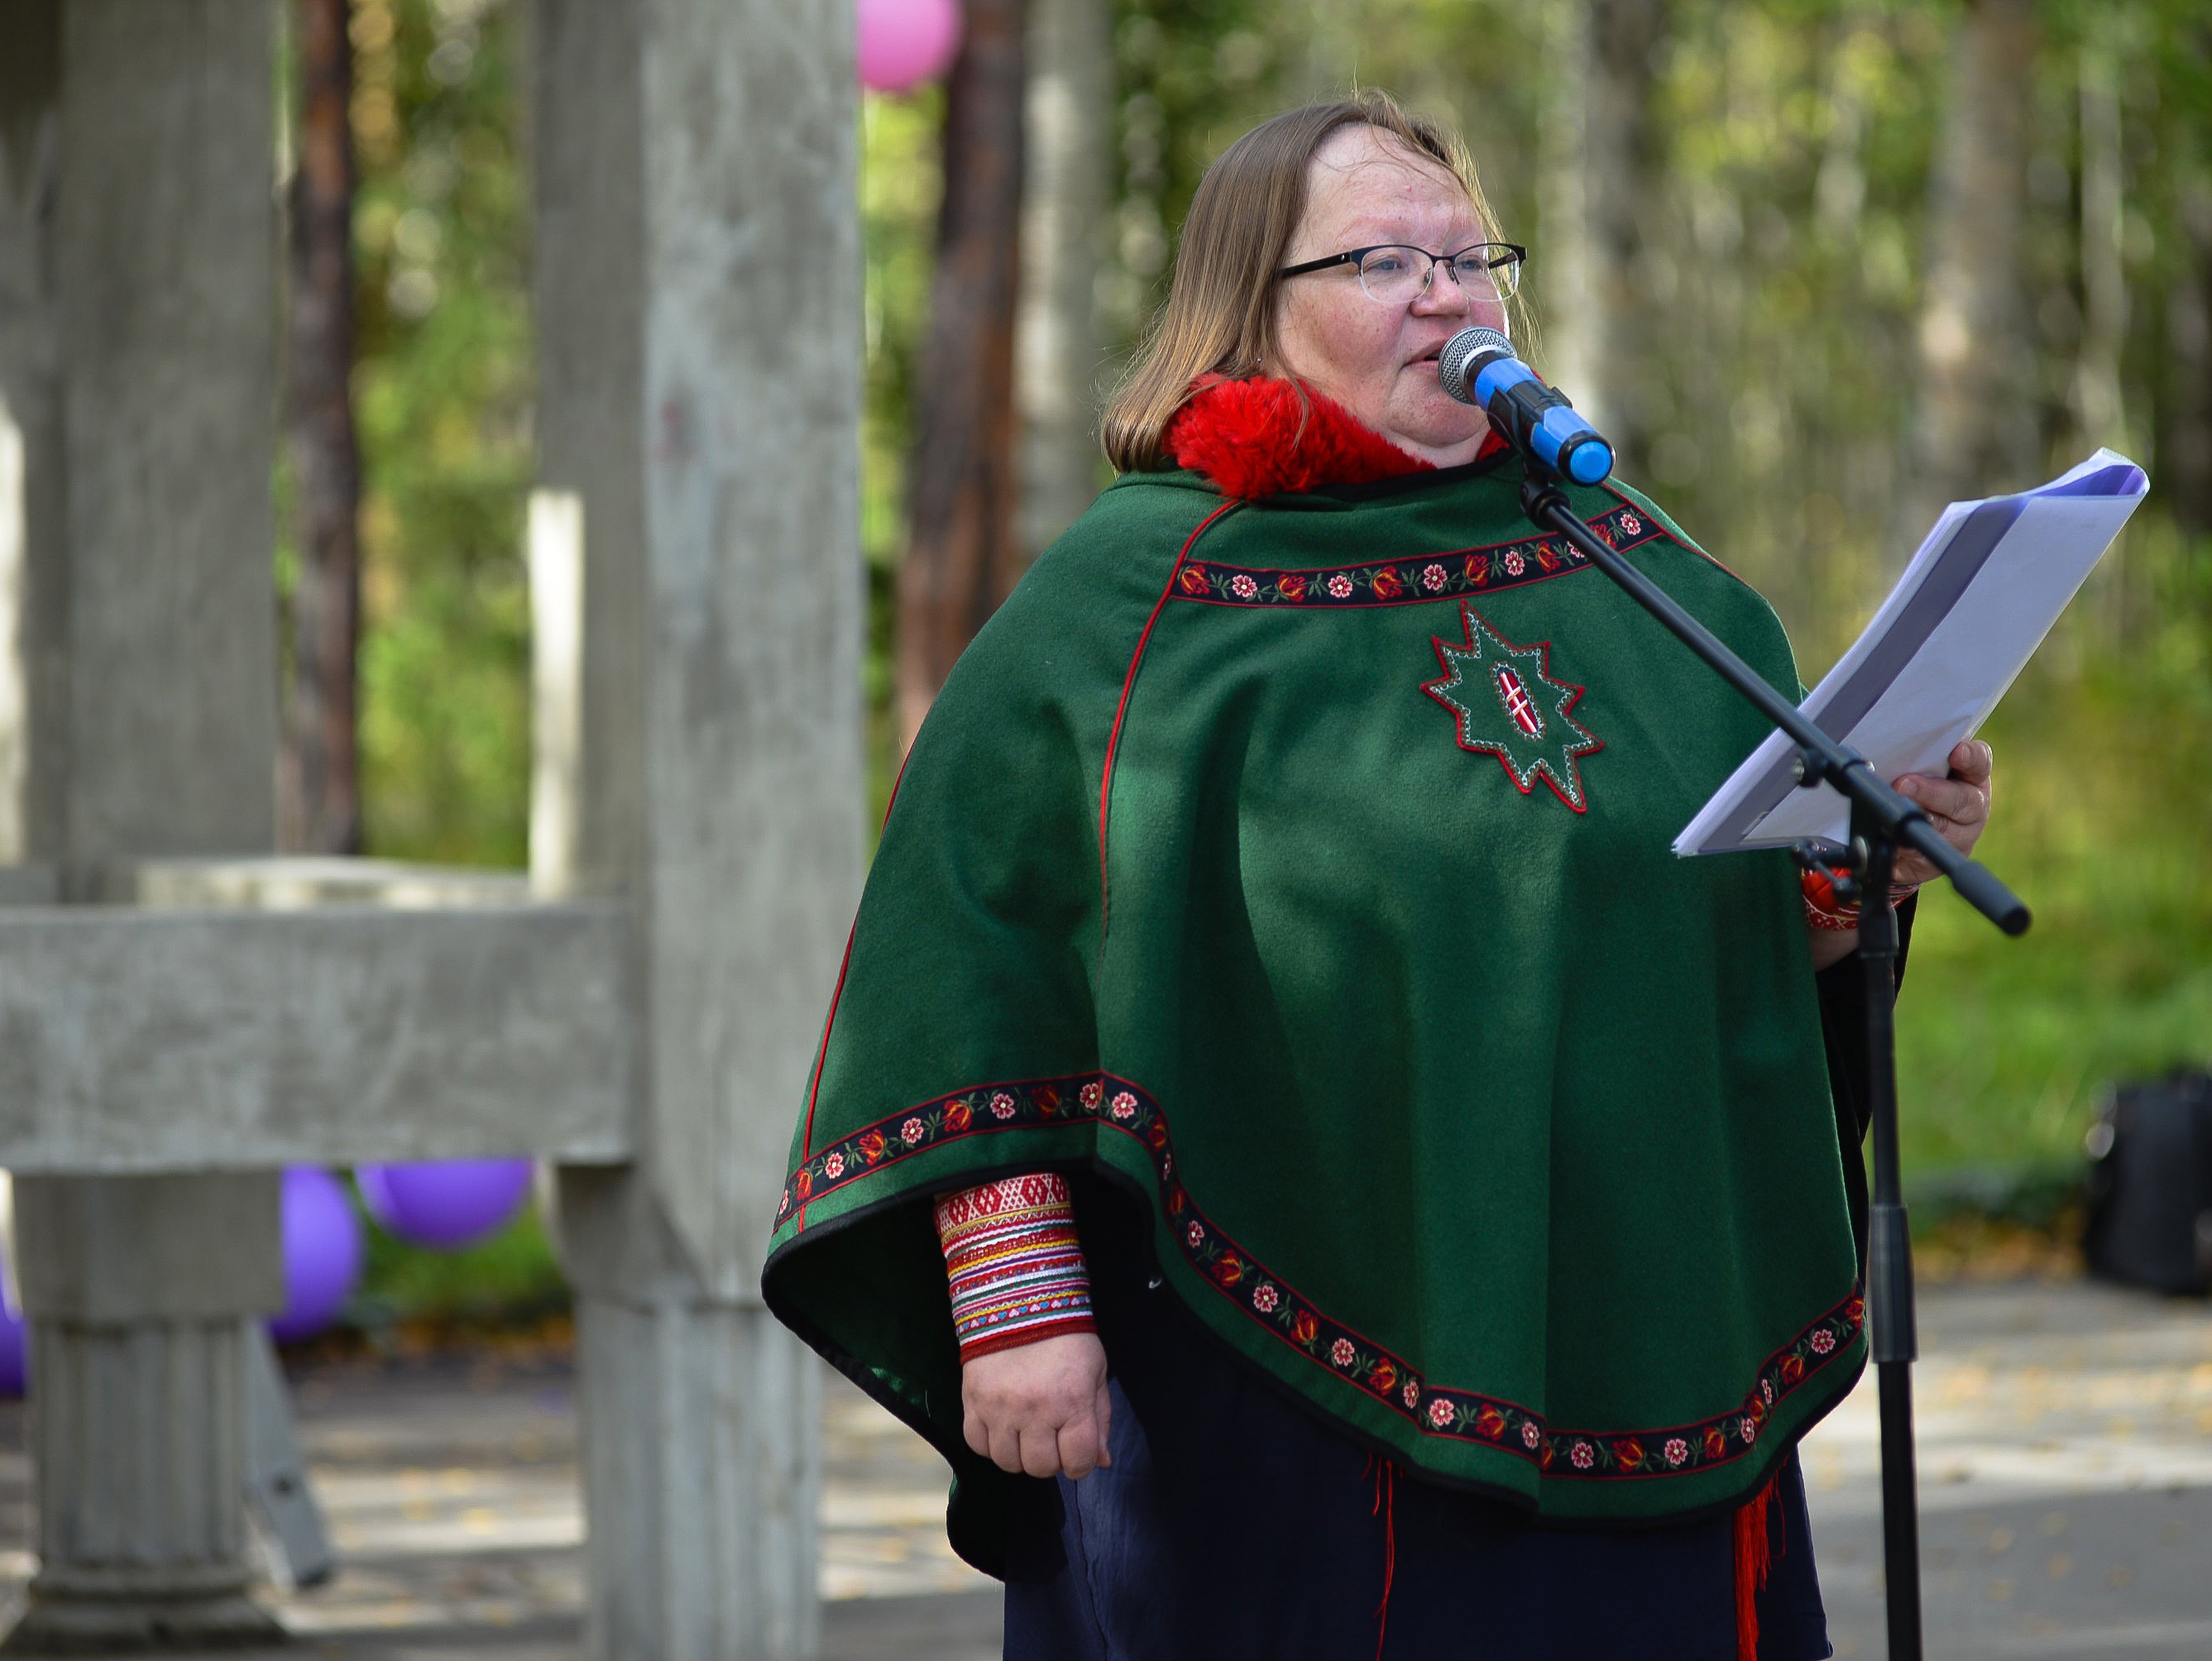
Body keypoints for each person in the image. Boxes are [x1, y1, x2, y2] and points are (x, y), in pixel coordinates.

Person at [764, 90, 1994, 1661]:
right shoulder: (1135, 604)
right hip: (1268, 1397)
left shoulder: (1628, 565)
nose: (1448, 295)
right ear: (1249, 316)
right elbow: (972, 967)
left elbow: (1706, 934)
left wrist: (1859, 879)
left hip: (1638, 1335)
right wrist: (1016, 1302)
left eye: (1470, 256)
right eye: (1384, 262)